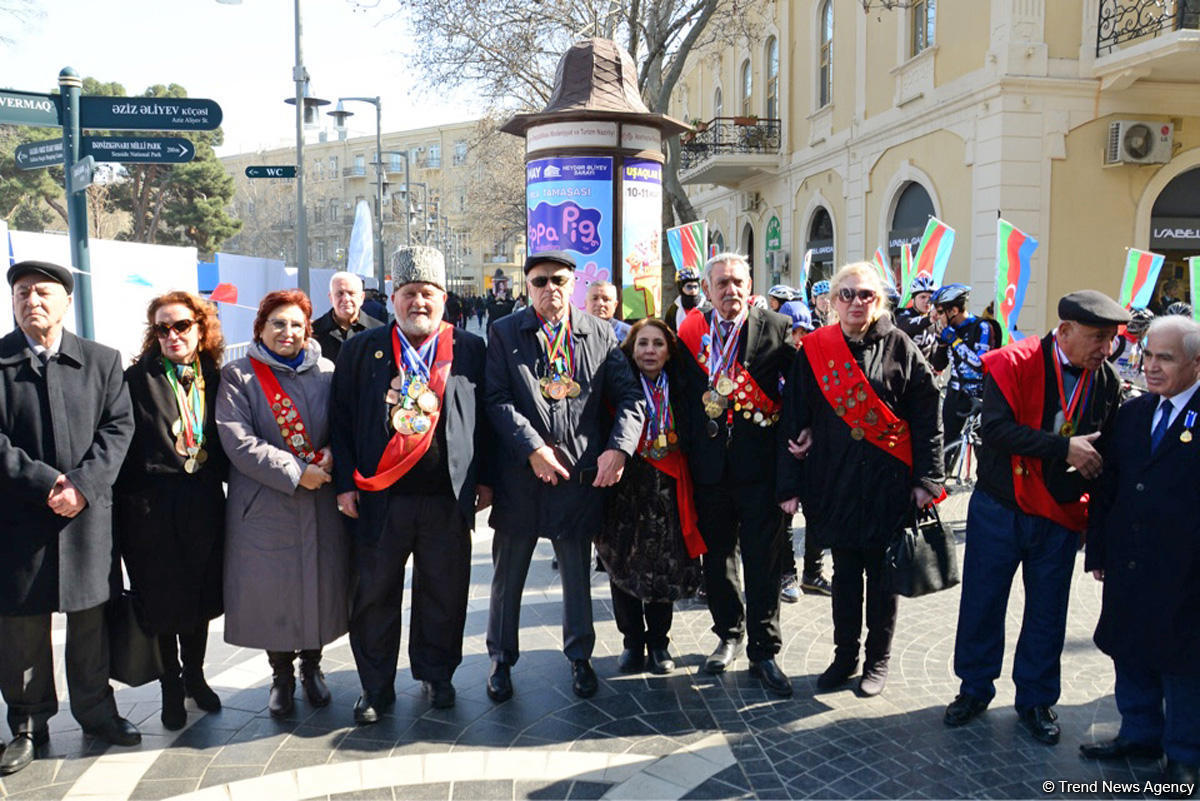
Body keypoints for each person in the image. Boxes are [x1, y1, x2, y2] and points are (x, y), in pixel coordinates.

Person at [944, 290, 1129, 745]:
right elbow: (995, 430)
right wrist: (1063, 447)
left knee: (1048, 612)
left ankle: (1036, 699)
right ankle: (974, 689)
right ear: (1064, 331)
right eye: (1098, 338)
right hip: (999, 507)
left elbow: (1106, 444)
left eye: (1111, 339)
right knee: (983, 603)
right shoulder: (1012, 362)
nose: (1107, 349)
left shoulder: (1105, 379)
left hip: (1059, 514)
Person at [331, 247, 492, 722]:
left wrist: (485, 480)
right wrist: (344, 484)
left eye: (427, 293)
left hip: (447, 498)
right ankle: (376, 687)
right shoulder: (364, 348)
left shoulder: (469, 349)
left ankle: (436, 674)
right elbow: (339, 421)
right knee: (375, 595)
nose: (417, 302)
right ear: (393, 297)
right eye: (408, 294)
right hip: (381, 497)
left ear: (443, 297)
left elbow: (486, 422)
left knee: (443, 591)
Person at [484, 250, 644, 702]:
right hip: (522, 474)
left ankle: (580, 657)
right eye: (539, 281)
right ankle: (501, 660)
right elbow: (496, 398)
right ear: (527, 286)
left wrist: (619, 448)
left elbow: (631, 397)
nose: (549, 288)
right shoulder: (504, 332)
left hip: (577, 475)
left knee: (576, 574)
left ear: (572, 284)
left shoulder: (599, 333)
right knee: (508, 576)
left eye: (558, 279)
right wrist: (532, 448)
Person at [778, 262, 944, 697]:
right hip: (833, 480)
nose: (855, 302)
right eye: (847, 294)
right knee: (846, 575)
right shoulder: (815, 348)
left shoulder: (901, 346)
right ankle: (844, 655)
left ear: (880, 300)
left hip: (888, 484)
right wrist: (790, 484)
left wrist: (928, 478)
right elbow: (795, 417)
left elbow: (928, 414)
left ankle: (878, 660)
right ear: (832, 301)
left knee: (883, 578)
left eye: (865, 294)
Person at [0, 261, 139, 777]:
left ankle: (97, 713)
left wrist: (81, 485)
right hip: (19, 521)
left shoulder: (102, 361)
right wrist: (44, 485)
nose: (31, 300)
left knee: (90, 624)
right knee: (20, 630)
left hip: (86, 518)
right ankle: (28, 724)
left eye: (43, 292)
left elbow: (118, 429)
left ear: (65, 302)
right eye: (21, 292)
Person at [216, 289, 350, 718]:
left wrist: (331, 453)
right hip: (266, 502)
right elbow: (238, 441)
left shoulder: (327, 371)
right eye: (277, 323)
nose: (287, 332)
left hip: (320, 500)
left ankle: (313, 667)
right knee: (275, 591)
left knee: (317, 584)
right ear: (261, 328)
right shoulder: (239, 376)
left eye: (295, 324)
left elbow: (343, 425)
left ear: (307, 329)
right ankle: (280, 675)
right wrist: (295, 471)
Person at [1081, 316, 1200, 795]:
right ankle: (1139, 733)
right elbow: (1107, 489)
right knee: (1129, 647)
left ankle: (1186, 754)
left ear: (1195, 363)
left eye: (1164, 358)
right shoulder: (1131, 413)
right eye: (1147, 355)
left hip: (1187, 570)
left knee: (1183, 663)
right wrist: (1098, 549)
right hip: (1131, 562)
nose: (1149, 367)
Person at [678, 252, 795, 696]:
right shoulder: (691, 332)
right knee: (718, 556)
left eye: (738, 282)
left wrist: (798, 443)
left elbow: (797, 394)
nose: (731, 291)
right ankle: (728, 633)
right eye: (722, 283)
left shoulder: (777, 329)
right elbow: (685, 397)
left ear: (751, 286)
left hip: (761, 467)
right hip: (709, 468)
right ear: (707, 290)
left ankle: (765, 650)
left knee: (763, 560)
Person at [115, 292, 229, 731]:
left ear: (200, 329)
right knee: (161, 602)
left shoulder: (215, 378)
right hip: (150, 508)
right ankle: (170, 685)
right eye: (163, 328)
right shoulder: (135, 379)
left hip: (202, 503)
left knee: (198, 599)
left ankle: (195, 677)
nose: (172, 335)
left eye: (181, 325)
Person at [594, 319, 705, 675]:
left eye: (658, 344)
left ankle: (659, 642)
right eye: (642, 343)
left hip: (669, 488)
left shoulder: (683, 384)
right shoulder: (617, 385)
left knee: (665, 567)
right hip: (625, 489)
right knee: (623, 563)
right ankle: (632, 642)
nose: (650, 351)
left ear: (669, 350)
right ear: (631, 348)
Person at [930, 283, 999, 444]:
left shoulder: (982, 327)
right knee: (947, 445)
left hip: (978, 396)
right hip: (954, 395)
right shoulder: (949, 329)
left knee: (982, 448)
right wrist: (941, 345)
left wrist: (955, 341)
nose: (937, 316)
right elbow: (939, 366)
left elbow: (979, 364)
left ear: (954, 311)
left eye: (940, 312)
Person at [312, 271, 383, 363]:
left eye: (351, 293)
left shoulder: (379, 332)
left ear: (362, 298)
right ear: (331, 298)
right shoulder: (314, 332)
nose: (346, 299)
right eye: (340, 294)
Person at [895, 274, 938, 360]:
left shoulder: (933, 321)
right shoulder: (903, 315)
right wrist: (929, 319)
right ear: (913, 299)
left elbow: (933, 349)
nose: (927, 301)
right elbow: (907, 326)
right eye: (922, 297)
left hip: (924, 370)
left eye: (930, 297)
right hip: (905, 369)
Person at [665, 266, 710, 333]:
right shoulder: (673, 310)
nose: (693, 291)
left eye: (695, 287)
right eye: (689, 287)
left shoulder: (708, 307)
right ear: (681, 288)